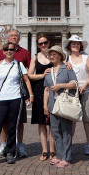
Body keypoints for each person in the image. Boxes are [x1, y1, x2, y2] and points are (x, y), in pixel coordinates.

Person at [0, 42, 34, 166]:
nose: (9, 51)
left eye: (11, 49)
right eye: (6, 49)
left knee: (12, 126)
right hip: (2, 99)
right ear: (3, 52)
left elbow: (26, 80)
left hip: (16, 98)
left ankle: (10, 152)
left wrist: (31, 94)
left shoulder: (19, 64)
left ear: (15, 51)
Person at [0, 29, 31, 158]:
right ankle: (3, 144)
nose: (14, 37)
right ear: (8, 38)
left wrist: (30, 93)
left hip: (18, 94)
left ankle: (19, 145)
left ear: (19, 39)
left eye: (16, 36)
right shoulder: (1, 52)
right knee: (4, 122)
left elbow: (29, 73)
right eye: (11, 36)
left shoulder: (25, 53)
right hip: (4, 94)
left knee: (19, 121)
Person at [43, 46, 78, 168]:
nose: (52, 56)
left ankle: (67, 157)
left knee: (66, 131)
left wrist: (61, 86)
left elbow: (74, 83)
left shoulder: (67, 68)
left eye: (54, 54)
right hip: (52, 105)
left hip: (65, 104)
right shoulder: (49, 71)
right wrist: (45, 106)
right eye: (50, 55)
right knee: (56, 131)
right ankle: (59, 155)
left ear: (60, 56)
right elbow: (46, 90)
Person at [63, 35, 89, 156]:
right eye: (73, 44)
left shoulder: (86, 58)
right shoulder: (66, 59)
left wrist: (85, 85)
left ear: (80, 46)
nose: (75, 45)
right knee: (72, 118)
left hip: (86, 90)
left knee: (87, 118)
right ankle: (69, 144)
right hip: (72, 91)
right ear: (69, 46)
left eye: (77, 44)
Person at [27, 32, 55, 161]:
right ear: (37, 45)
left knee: (52, 122)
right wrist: (42, 75)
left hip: (53, 90)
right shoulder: (35, 57)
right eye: (41, 43)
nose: (43, 45)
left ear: (48, 43)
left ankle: (53, 150)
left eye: (45, 42)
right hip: (39, 90)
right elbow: (29, 75)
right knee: (41, 122)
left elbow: (62, 66)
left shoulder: (54, 55)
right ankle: (44, 150)